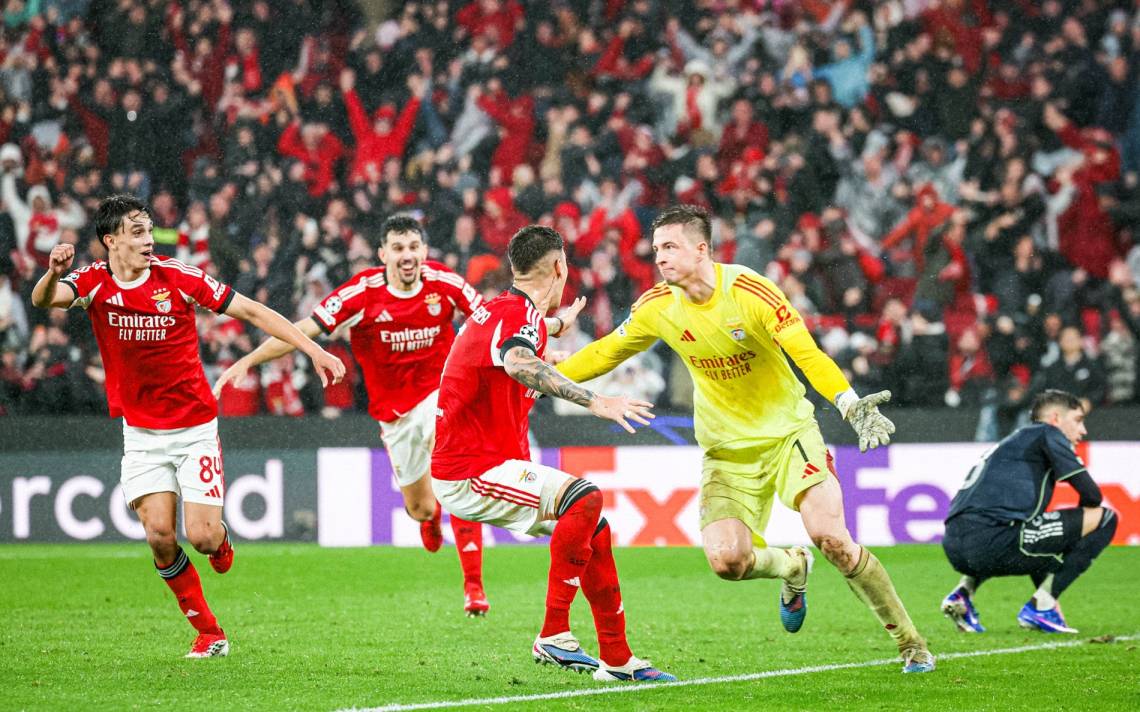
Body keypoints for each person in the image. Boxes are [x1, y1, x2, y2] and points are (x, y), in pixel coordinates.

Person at [556, 205, 935, 674]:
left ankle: (911, 643)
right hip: (726, 452)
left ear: (702, 249)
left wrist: (848, 402)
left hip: (789, 435)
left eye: (670, 247)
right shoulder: (657, 306)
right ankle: (792, 567)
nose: (660, 258)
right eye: (656, 249)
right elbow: (605, 352)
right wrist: (543, 375)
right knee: (727, 561)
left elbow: (807, 354)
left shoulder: (751, 292)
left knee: (832, 539)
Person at [31, 194, 345, 658]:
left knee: (201, 536)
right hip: (141, 433)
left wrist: (313, 349)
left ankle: (220, 541)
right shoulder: (93, 281)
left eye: (149, 230)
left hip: (193, 427)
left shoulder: (177, 277)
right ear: (111, 240)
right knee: (159, 535)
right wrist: (53, 272)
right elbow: (44, 299)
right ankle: (209, 632)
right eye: (137, 232)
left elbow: (252, 311)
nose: (148, 240)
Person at [214, 214, 493, 616]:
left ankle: (474, 587)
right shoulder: (361, 293)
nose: (407, 255)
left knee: (458, 466)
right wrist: (250, 360)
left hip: (440, 394)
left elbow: (492, 321)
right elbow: (303, 329)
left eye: (414, 247)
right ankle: (430, 517)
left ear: (424, 251)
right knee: (421, 507)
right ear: (382, 254)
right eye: (398, 248)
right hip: (393, 415)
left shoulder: (445, 283)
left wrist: (539, 342)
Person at [432, 225, 676, 683]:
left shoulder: (505, 310)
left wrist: (558, 325)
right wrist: (594, 400)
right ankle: (554, 634)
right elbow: (517, 360)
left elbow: (521, 338)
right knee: (585, 498)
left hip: (487, 462)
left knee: (594, 529)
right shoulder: (515, 316)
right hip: (470, 470)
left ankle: (618, 660)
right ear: (560, 267)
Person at [940, 390, 1117, 634]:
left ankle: (963, 593)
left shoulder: (1014, 442)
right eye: (1078, 420)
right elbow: (1092, 496)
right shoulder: (1048, 433)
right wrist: (1075, 535)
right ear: (1056, 418)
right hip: (992, 542)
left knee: (1036, 534)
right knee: (1106, 518)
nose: (1083, 430)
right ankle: (1041, 607)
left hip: (954, 545)